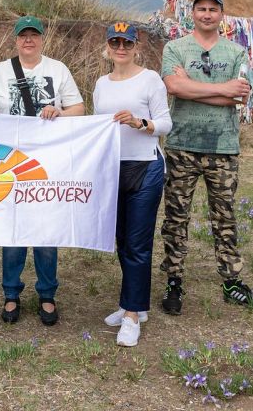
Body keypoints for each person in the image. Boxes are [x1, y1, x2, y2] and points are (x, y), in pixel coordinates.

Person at [159, 0, 253, 314]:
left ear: (221, 15)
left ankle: (232, 282)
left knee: (225, 216)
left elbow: (240, 97)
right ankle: (174, 280)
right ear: (193, 14)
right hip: (181, 144)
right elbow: (174, 87)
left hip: (223, 146)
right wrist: (221, 89)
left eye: (212, 9)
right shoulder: (175, 48)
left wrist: (195, 89)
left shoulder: (235, 52)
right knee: (176, 216)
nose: (206, 14)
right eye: (201, 9)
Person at [0, 14, 85, 326]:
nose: (29, 40)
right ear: (15, 40)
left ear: (42, 39)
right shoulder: (0, 72)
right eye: (23, 35)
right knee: (13, 230)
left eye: (34, 35)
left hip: (48, 161)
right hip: (12, 163)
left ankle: (47, 294)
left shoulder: (57, 69)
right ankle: (11, 293)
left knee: (45, 228)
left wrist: (60, 112)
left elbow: (79, 109)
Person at [93, 22, 172, 347]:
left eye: (127, 42)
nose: (121, 48)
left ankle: (132, 317)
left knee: (138, 244)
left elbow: (165, 122)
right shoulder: (101, 84)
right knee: (123, 241)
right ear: (108, 47)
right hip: (112, 169)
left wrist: (140, 123)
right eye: (115, 42)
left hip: (146, 167)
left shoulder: (150, 79)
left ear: (136, 46)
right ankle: (132, 303)